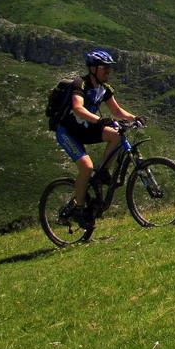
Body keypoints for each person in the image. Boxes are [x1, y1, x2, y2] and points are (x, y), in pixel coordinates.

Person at [54, 50, 139, 228]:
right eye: (104, 68)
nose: (108, 71)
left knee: (117, 135)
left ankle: (102, 173)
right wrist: (100, 120)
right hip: (68, 132)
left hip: (85, 129)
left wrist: (135, 118)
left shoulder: (104, 88)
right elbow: (78, 108)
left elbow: (117, 111)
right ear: (93, 69)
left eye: (109, 69)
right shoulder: (80, 84)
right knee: (86, 167)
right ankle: (78, 208)